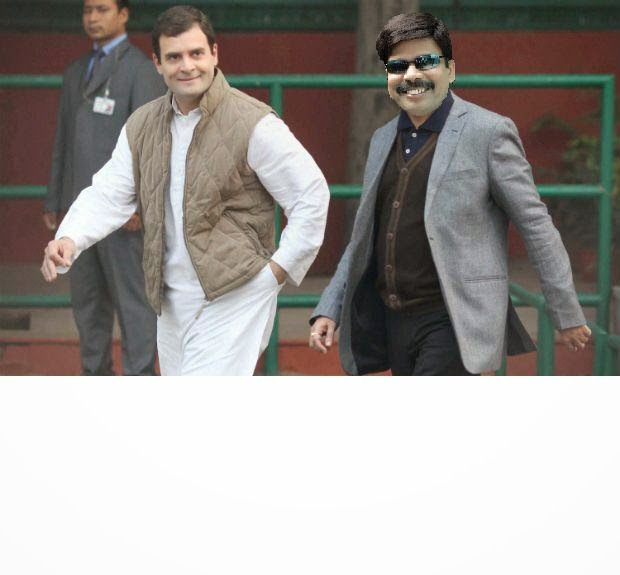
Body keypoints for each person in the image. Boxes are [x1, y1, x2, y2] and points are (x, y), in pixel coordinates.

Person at [41, 5, 330, 376]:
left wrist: (277, 271)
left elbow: (311, 195)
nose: (187, 66)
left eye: (196, 53)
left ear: (214, 53)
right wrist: (70, 237)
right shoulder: (142, 125)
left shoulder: (252, 121)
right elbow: (108, 192)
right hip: (170, 299)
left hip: (235, 294)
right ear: (157, 64)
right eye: (174, 57)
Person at [308, 12, 591, 376]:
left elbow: (536, 226)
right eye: (398, 66)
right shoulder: (381, 139)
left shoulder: (488, 132)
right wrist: (330, 305)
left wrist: (566, 312)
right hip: (394, 320)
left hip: (455, 320)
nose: (411, 75)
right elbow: (363, 237)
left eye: (425, 61)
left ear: (450, 70)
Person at [44, 0, 166, 375]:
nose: (93, 18)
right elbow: (63, 139)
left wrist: (140, 204)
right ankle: (95, 382)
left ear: (124, 14)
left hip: (123, 215)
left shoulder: (140, 70)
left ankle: (138, 384)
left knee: (134, 305)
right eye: (87, 11)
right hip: (80, 213)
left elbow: (149, 143)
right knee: (88, 305)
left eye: (102, 9)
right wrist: (56, 199)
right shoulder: (75, 71)